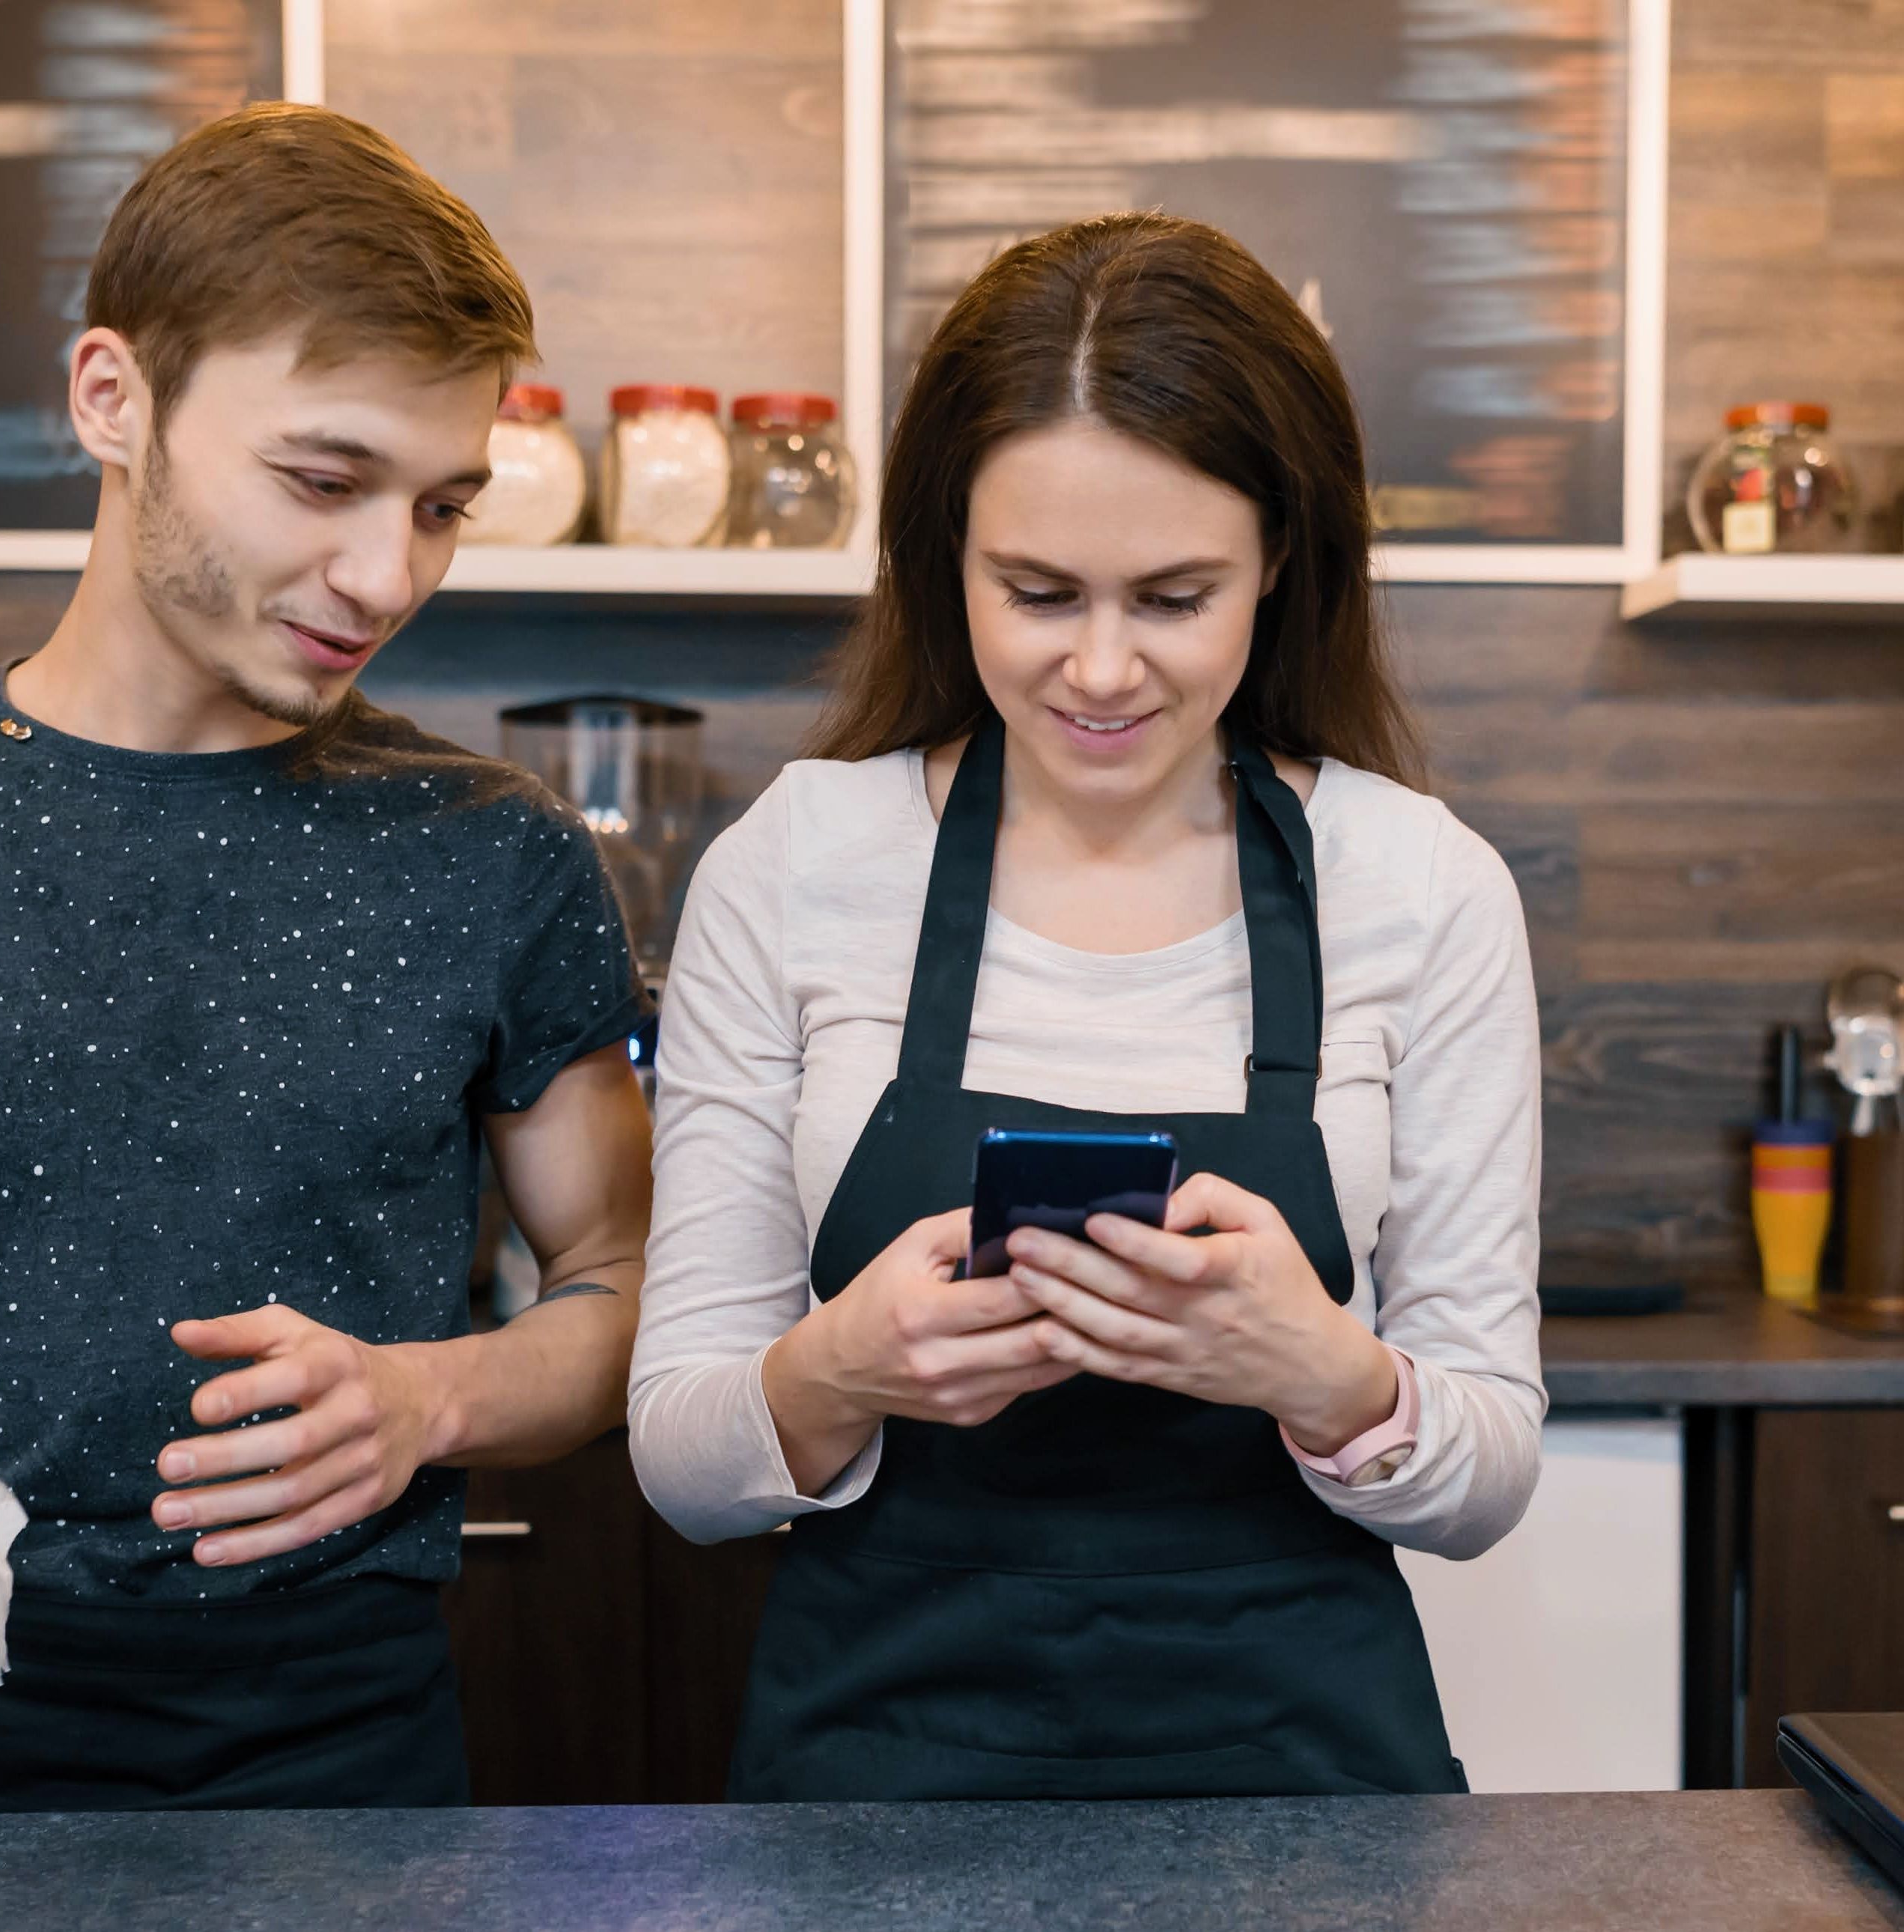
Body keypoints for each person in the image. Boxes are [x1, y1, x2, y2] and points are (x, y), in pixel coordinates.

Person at [630, 213, 1544, 1802]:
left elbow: (1484, 1477)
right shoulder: (796, 866)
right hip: (873, 1795)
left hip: (1304, 1797)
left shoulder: (1419, 885)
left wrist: (1322, 1372)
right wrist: (846, 1366)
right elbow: (683, 1465)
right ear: (943, 563)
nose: (1103, 670)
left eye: (1175, 595)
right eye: (1039, 592)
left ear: (1280, 564)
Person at [0, 104, 653, 1810]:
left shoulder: (493, 852)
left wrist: (434, 1399)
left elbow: (631, 1290)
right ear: (112, 398)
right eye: (326, 481)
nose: (383, 574)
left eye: (439, 508)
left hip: (334, 1747)